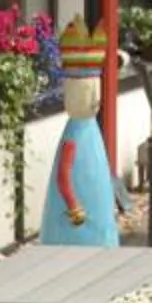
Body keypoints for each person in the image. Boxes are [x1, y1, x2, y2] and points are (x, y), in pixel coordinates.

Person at [41, 17, 124, 246]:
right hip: (77, 219)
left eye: (96, 92)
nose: (96, 99)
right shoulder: (74, 136)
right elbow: (63, 176)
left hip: (96, 206)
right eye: (88, 93)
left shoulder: (90, 131)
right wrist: (73, 205)